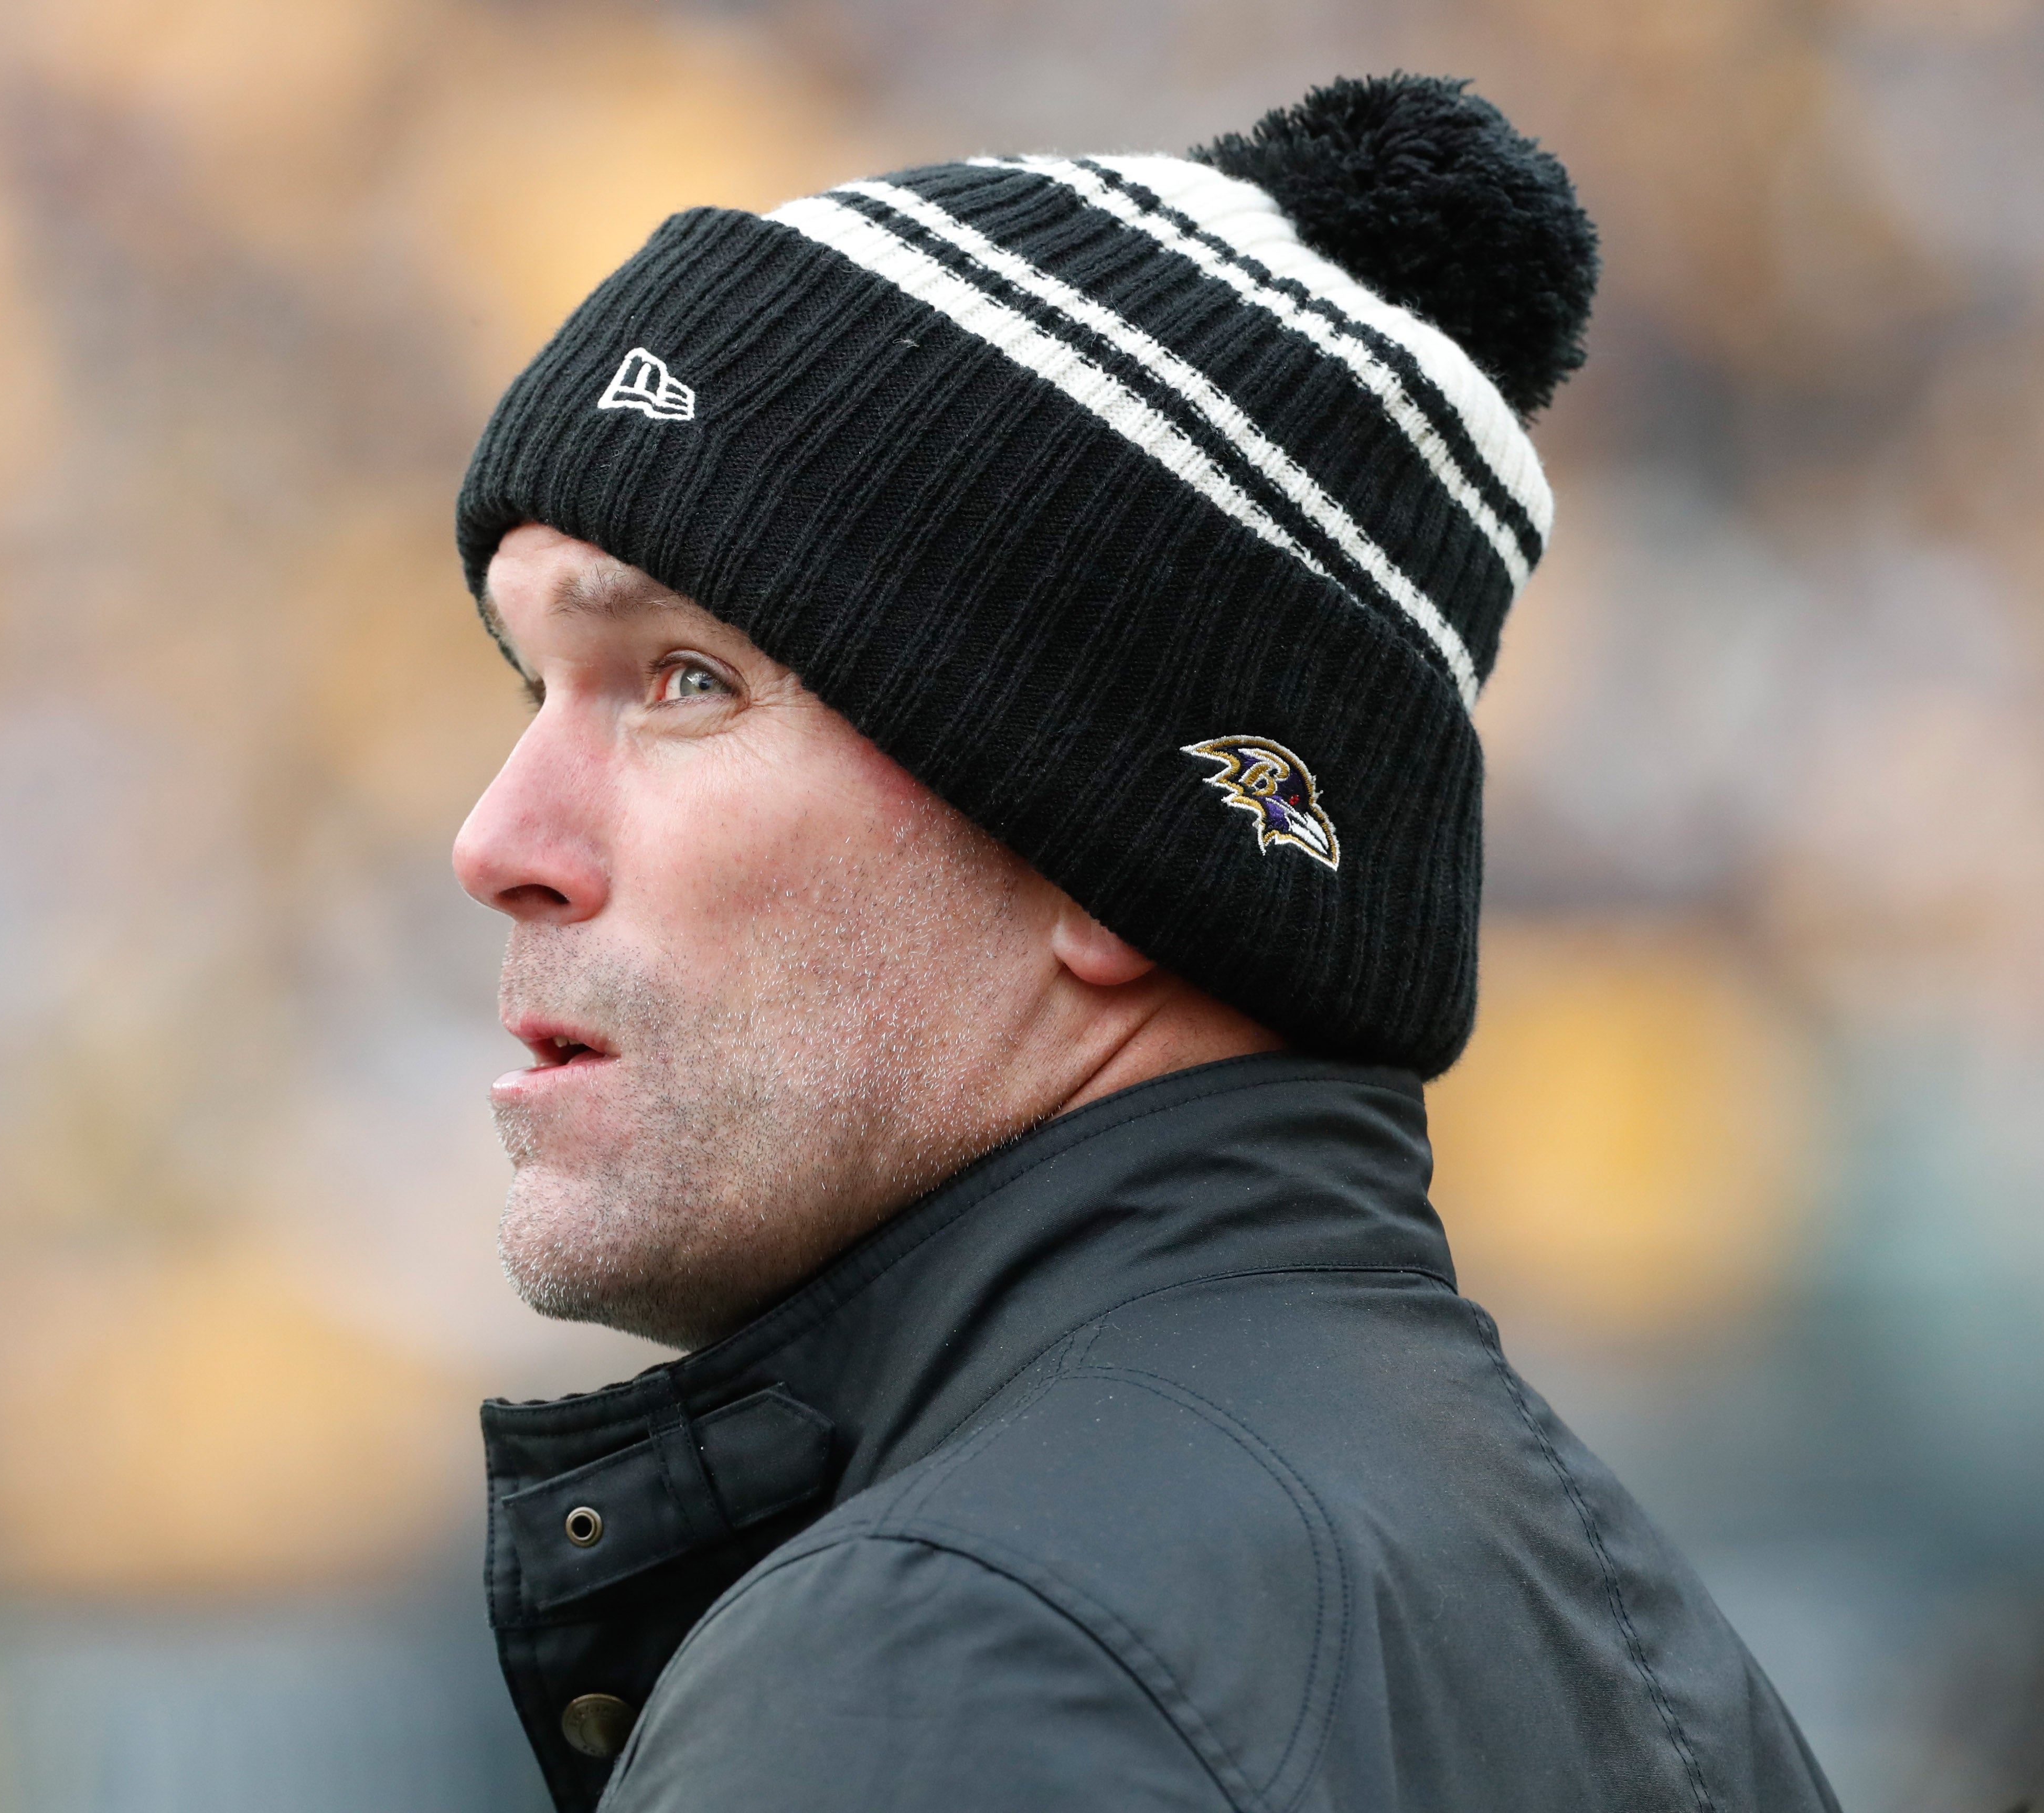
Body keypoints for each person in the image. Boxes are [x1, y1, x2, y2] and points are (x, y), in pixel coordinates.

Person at [448, 74, 1841, 1812]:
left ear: (1113, 854)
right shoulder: (1618, 1636)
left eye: (685, 681)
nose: (498, 843)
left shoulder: (949, 1660)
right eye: (534, 685)